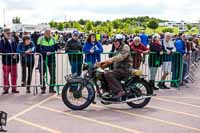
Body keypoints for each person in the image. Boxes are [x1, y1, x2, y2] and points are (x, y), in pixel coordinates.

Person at [97, 34, 133, 99]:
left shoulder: (125, 47)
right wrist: (102, 65)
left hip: (125, 69)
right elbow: (113, 61)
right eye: (114, 42)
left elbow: (120, 57)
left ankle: (120, 91)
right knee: (103, 73)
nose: (115, 43)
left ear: (121, 41)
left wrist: (109, 60)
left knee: (108, 74)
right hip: (119, 69)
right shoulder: (117, 49)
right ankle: (107, 91)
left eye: (116, 41)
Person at [37, 29, 60, 94]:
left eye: (49, 33)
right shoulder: (40, 39)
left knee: (53, 74)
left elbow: (57, 47)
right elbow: (38, 49)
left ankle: (51, 88)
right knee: (42, 74)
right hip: (43, 59)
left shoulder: (53, 39)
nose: (48, 34)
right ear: (44, 33)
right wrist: (45, 53)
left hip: (52, 59)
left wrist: (58, 50)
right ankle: (43, 88)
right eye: (47, 33)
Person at [0, 28, 19, 94]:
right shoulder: (2, 41)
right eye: (7, 33)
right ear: (4, 33)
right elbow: (2, 49)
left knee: (14, 75)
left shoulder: (13, 40)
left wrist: (16, 55)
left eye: (9, 33)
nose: (8, 34)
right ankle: (6, 89)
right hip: (6, 62)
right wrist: (11, 54)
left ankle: (14, 88)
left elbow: (16, 48)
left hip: (13, 61)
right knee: (5, 76)